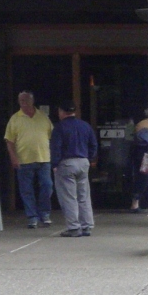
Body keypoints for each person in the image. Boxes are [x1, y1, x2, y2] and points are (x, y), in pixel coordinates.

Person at [4, 90, 54, 229]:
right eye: (21, 100)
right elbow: (9, 141)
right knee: (26, 190)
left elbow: (51, 136)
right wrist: (13, 157)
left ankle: (44, 213)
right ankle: (32, 217)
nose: (24, 103)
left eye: (26, 100)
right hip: (23, 160)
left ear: (32, 101)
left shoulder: (43, 117)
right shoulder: (15, 119)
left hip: (43, 159)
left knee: (47, 185)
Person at [50, 101, 98, 238]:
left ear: (61, 112)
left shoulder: (59, 128)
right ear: (74, 112)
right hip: (83, 162)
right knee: (84, 195)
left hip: (66, 163)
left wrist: (54, 164)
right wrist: (90, 158)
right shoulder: (85, 126)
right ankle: (87, 225)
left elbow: (56, 148)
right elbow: (93, 144)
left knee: (69, 196)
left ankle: (73, 227)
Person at [130, 114, 148, 211]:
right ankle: (136, 203)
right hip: (145, 157)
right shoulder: (146, 126)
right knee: (144, 179)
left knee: (143, 179)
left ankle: (136, 203)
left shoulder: (141, 125)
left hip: (142, 156)